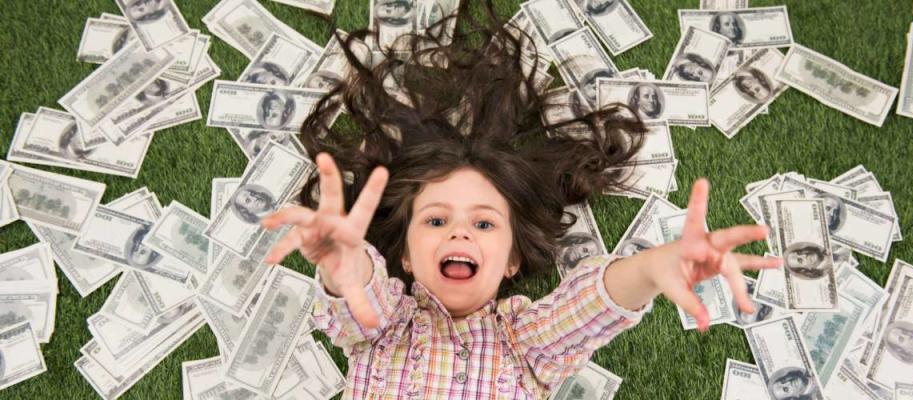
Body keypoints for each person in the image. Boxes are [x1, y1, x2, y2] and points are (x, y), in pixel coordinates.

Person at [261, 2, 782, 396]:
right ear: (403, 256)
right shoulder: (384, 327)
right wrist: (343, 261)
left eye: (485, 224)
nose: (459, 233)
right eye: (436, 220)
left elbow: (583, 309)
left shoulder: (524, 340)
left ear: (512, 259)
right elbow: (358, 294)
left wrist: (653, 267)